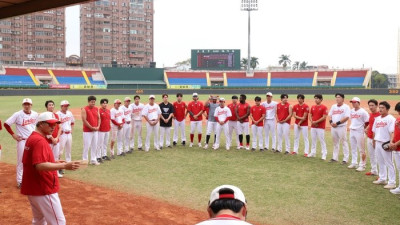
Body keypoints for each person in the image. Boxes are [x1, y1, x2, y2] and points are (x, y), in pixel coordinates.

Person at [21, 111, 80, 225]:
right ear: (41, 124)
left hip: (34, 188)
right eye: (50, 124)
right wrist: (64, 166)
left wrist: (54, 162)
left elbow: (34, 162)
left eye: (55, 124)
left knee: (39, 220)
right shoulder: (39, 141)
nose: (54, 127)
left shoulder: (32, 138)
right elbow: (39, 165)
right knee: (58, 222)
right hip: (44, 188)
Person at [4, 98, 38, 188]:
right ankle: (20, 181)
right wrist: (13, 135)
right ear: (23, 105)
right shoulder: (18, 114)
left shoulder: (35, 114)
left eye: (28, 104)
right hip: (22, 141)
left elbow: (38, 126)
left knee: (34, 160)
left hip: (33, 140)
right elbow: (6, 124)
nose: (27, 106)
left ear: (31, 105)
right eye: (25, 104)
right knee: (21, 161)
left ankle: (31, 179)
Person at [372, 101, 396, 189]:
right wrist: (374, 141)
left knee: (389, 162)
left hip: (386, 143)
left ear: (387, 109)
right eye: (380, 107)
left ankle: (392, 182)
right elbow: (374, 131)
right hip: (378, 141)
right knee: (380, 161)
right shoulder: (377, 118)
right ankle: (382, 178)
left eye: (383, 108)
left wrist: (391, 142)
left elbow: (392, 132)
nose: (380, 109)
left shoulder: (391, 119)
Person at [348, 97, 369, 171]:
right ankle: (354, 162)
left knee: (361, 149)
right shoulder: (351, 111)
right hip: (352, 130)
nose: (353, 104)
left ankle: (362, 165)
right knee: (353, 148)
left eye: (355, 102)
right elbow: (352, 120)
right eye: (352, 102)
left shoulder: (363, 112)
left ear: (358, 103)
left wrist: (365, 130)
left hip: (360, 131)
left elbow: (367, 122)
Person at [328, 93, 350, 164]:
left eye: (339, 97)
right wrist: (331, 122)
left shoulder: (346, 107)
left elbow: (346, 117)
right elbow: (330, 115)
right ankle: (335, 158)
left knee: (344, 142)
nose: (337, 98)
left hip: (341, 127)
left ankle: (345, 159)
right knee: (335, 143)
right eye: (336, 97)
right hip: (333, 127)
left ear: (343, 99)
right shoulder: (333, 106)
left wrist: (337, 123)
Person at [81, 95, 101, 165]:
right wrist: (91, 127)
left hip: (95, 130)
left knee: (94, 145)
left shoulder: (96, 109)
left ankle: (93, 159)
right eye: (92, 102)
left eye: (94, 102)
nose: (93, 103)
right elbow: (84, 120)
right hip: (87, 131)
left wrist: (98, 126)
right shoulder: (84, 109)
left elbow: (99, 118)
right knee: (86, 146)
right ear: (88, 102)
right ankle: (84, 160)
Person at [45, 100, 62, 177]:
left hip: (56, 140)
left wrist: (57, 138)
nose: (51, 106)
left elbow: (60, 128)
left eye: (52, 105)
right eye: (49, 105)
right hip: (48, 141)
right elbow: (45, 129)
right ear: (46, 107)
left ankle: (56, 172)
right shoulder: (44, 116)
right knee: (47, 157)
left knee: (56, 157)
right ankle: (47, 173)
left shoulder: (57, 115)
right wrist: (52, 138)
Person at [308, 94, 328, 159]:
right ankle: (313, 152)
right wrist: (312, 121)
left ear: (321, 99)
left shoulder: (324, 107)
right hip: (313, 126)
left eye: (317, 98)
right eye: (315, 98)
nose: (316, 100)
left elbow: (324, 117)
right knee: (313, 139)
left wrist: (316, 122)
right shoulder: (313, 107)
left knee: (322, 140)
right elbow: (310, 115)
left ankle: (324, 153)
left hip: (320, 126)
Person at [364, 99, 380, 176]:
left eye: (372, 105)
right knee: (371, 155)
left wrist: (374, 140)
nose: (371, 107)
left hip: (376, 139)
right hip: (369, 137)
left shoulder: (379, 115)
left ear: (377, 106)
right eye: (369, 105)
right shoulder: (371, 115)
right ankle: (374, 170)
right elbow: (371, 124)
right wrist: (366, 129)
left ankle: (381, 175)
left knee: (379, 156)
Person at [389, 102, 400, 194]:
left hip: (398, 147)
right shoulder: (397, 119)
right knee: (399, 168)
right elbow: (395, 133)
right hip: (396, 148)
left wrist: (395, 143)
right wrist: (392, 142)